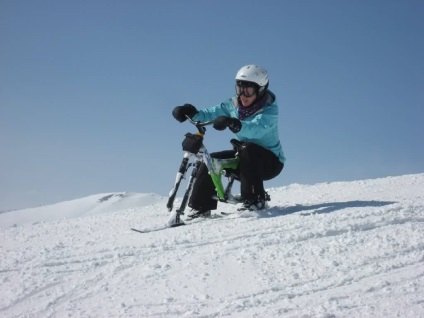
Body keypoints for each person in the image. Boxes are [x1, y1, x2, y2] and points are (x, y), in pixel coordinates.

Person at [172, 65, 285, 219]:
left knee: (248, 148)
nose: (243, 95)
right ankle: (201, 207)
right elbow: (211, 113)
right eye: (239, 89)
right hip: (245, 158)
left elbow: (256, 129)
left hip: (270, 162)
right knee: (209, 160)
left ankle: (255, 201)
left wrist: (234, 124)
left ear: (260, 90)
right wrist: (192, 113)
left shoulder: (269, 110)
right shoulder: (234, 105)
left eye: (248, 90)